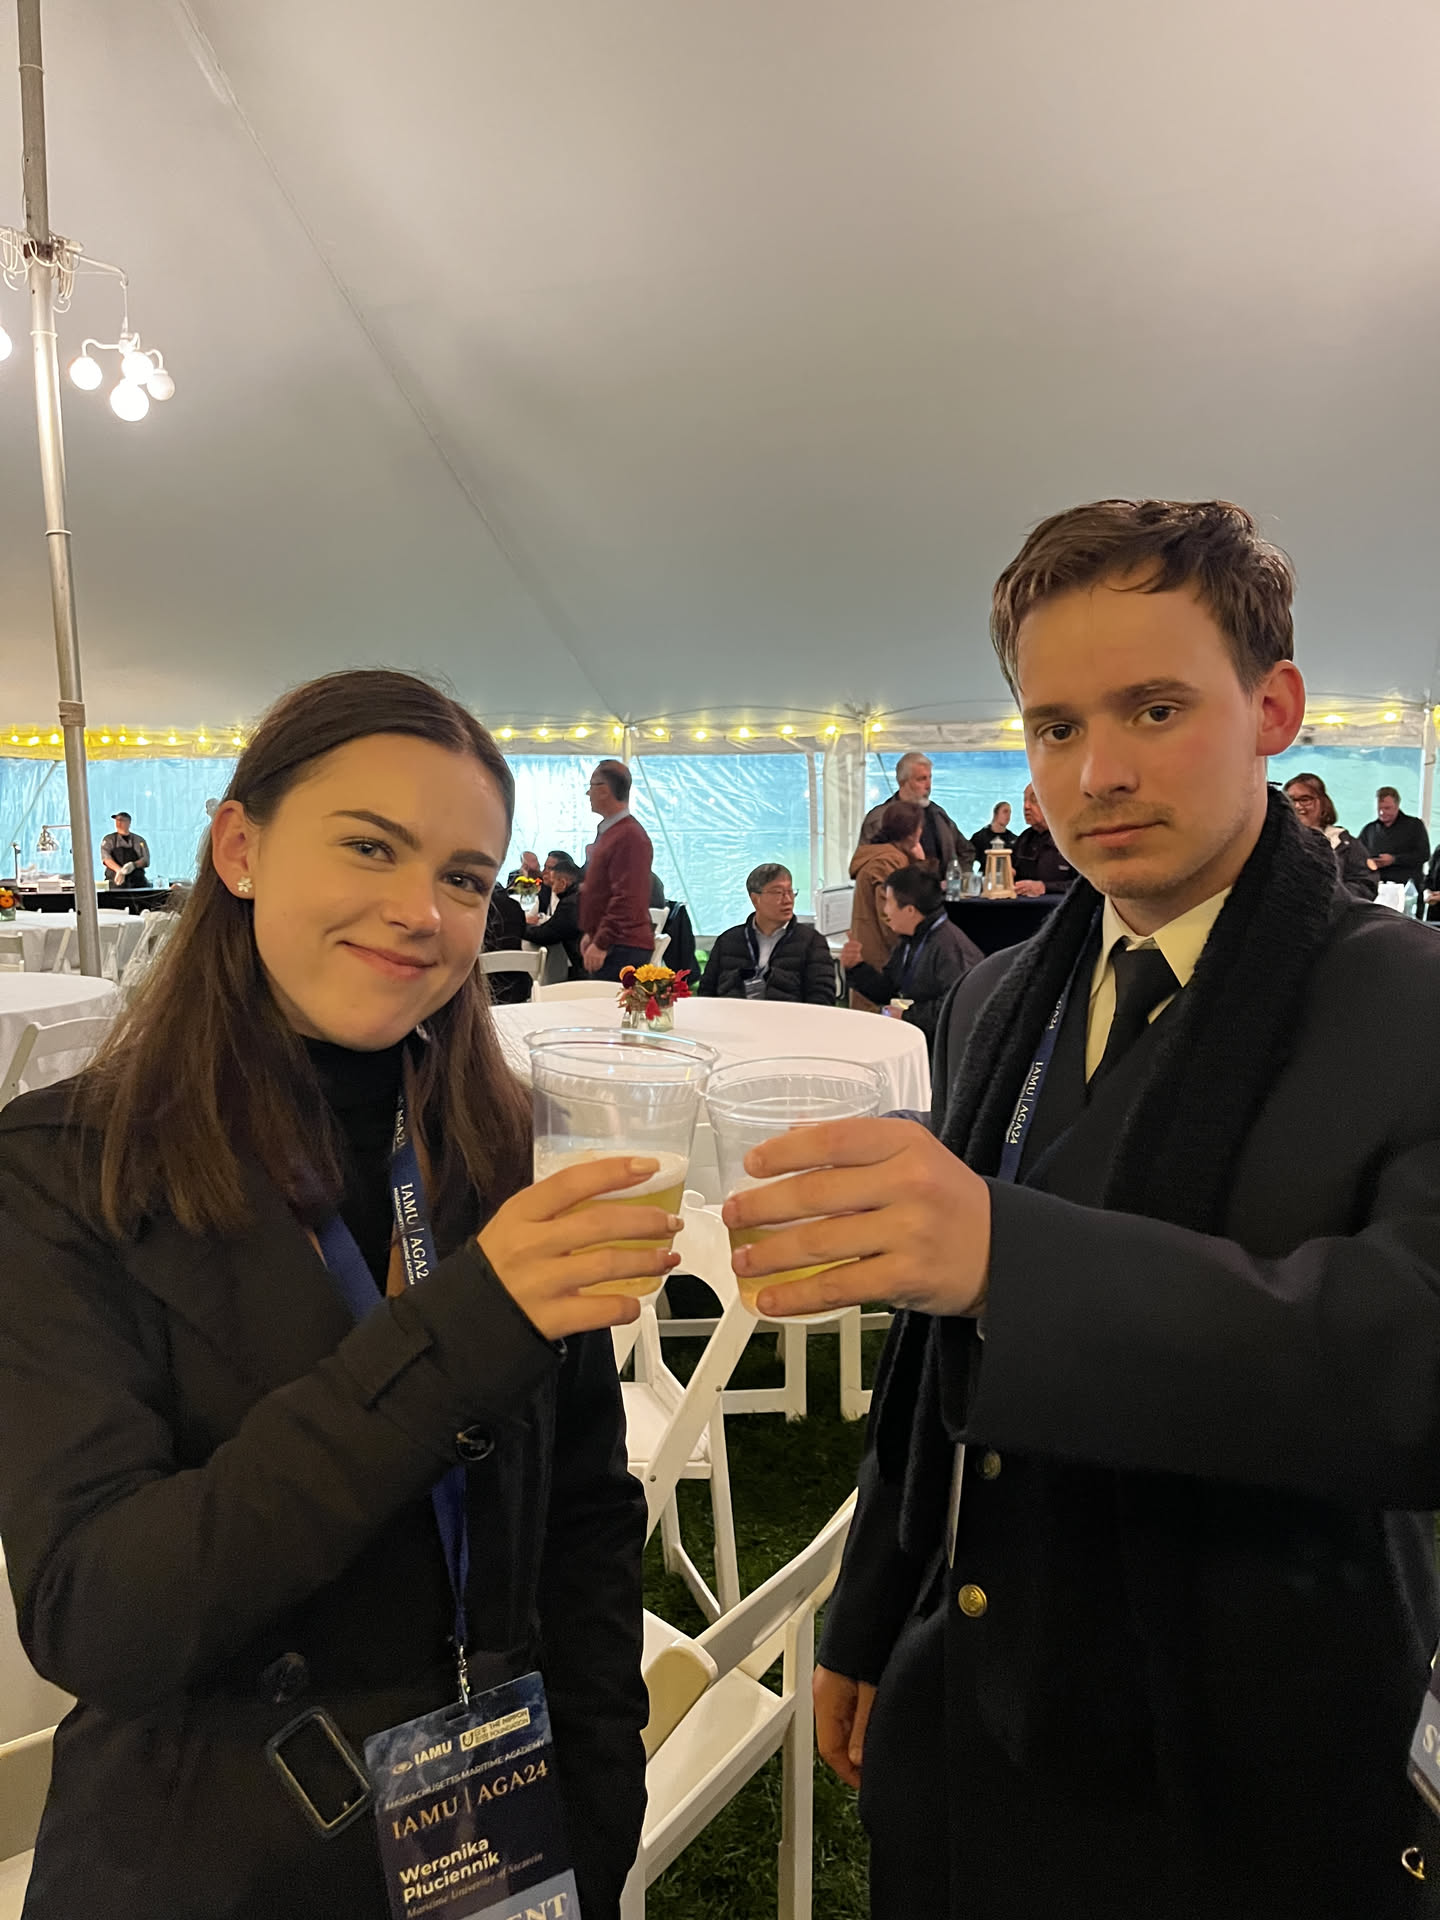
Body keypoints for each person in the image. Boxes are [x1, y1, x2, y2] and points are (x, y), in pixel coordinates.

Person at [721, 499, 1440, 1918]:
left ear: (1274, 709)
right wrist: (871, 1610)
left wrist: (1013, 1260)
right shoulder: (1001, 996)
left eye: (1155, 709)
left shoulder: (1407, 1004)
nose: (1097, 772)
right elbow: (933, 1358)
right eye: (1054, 727)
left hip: (1255, 1752)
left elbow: (1415, 1365)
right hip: (971, 1692)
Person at [0, 669, 666, 1920]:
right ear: (240, 850)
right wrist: (458, 1337)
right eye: (370, 846)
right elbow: (103, 1617)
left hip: (499, 1833)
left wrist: (597, 1803)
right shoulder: (67, 1172)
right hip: (216, 1857)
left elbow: (584, 1514)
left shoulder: (494, 1148)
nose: (421, 911)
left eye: (465, 877)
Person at [840, 866, 983, 1040]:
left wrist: (908, 1017)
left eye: (888, 902)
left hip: (947, 1047)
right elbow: (890, 991)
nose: (885, 910)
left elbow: (959, 1008)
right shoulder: (910, 939)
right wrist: (857, 967)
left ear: (909, 910)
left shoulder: (950, 948)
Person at [698, 864, 835, 1003]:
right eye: (778, 893)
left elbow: (822, 996)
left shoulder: (811, 941)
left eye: (790, 891)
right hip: (733, 1014)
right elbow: (706, 992)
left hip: (787, 1015)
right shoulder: (728, 940)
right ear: (755, 899)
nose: (788, 900)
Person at [579, 760, 655, 980]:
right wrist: (593, 933)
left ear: (604, 790)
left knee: (608, 1001)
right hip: (614, 941)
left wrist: (602, 941)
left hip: (622, 945)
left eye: (592, 786)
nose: (588, 793)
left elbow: (627, 896)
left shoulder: (629, 836)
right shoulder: (614, 832)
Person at [847, 799, 923, 1012]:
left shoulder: (884, 858)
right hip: (879, 961)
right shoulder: (887, 862)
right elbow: (891, 918)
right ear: (912, 833)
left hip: (872, 954)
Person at [858, 752, 973, 876]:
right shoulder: (879, 818)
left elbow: (966, 851)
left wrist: (957, 878)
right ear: (903, 782)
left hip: (938, 887)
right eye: (921, 779)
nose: (928, 785)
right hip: (898, 886)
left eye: (929, 777)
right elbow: (867, 861)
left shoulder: (938, 814)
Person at [1283, 772, 1378, 900]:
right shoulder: (1276, 840)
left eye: (1305, 800)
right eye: (1290, 800)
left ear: (1323, 802)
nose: (1297, 806)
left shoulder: (1344, 844)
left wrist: (1331, 897)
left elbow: (1366, 884)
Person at [1360, 786, 1430, 907]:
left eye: (1387, 808)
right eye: (1379, 808)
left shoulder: (1414, 826)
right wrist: (1371, 862)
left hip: (1407, 892)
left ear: (1397, 806)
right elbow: (1357, 856)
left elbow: (1423, 854)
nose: (1382, 812)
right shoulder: (1369, 830)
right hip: (1376, 891)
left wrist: (1394, 859)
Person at [525, 850, 585, 978]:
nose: (545, 873)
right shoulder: (575, 894)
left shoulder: (570, 903)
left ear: (563, 882)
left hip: (581, 965)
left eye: (554, 883)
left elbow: (547, 933)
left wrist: (519, 927)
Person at [1010, 781, 1076, 894]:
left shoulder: (1072, 838)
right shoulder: (1025, 838)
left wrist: (1045, 887)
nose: (1026, 806)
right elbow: (1013, 870)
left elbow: (1088, 886)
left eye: (1034, 800)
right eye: (1024, 800)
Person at [481, 881, 532, 1005]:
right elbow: (522, 932)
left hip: (488, 984)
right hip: (519, 983)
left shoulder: (482, 908)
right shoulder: (515, 906)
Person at [100, 811, 151, 890]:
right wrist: (119, 870)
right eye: (117, 820)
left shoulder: (139, 840)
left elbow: (146, 860)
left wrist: (133, 865)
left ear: (129, 822)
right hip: (115, 883)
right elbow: (106, 858)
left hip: (137, 883)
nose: (118, 823)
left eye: (121, 820)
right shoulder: (109, 839)